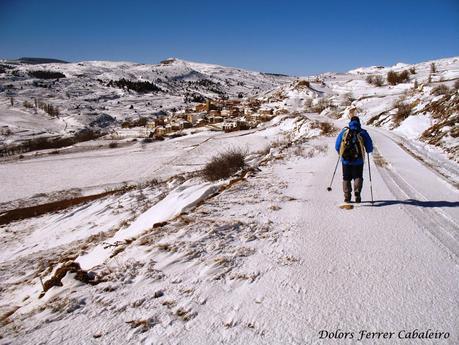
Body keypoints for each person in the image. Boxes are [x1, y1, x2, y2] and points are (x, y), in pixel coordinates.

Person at [335, 106, 373, 203]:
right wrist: (367, 150)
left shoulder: (345, 131)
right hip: (358, 160)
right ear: (359, 123)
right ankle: (357, 193)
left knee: (346, 177)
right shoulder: (363, 132)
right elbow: (369, 148)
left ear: (350, 122)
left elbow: (337, 145)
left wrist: (340, 153)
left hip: (346, 160)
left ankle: (347, 196)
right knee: (358, 176)